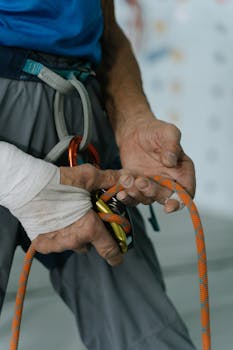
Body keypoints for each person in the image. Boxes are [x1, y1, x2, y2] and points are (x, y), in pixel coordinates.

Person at [0, 1, 196, 349]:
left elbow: (101, 22)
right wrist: (14, 177)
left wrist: (131, 117)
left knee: (151, 338)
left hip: (79, 116)